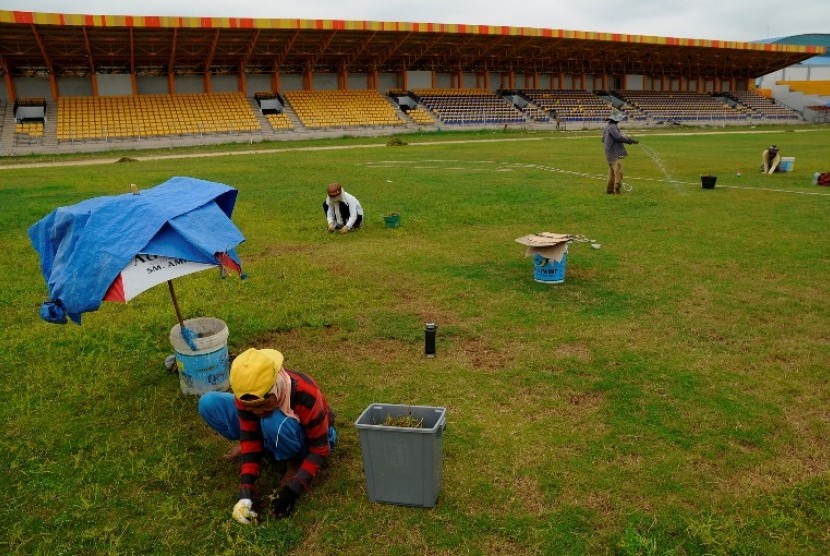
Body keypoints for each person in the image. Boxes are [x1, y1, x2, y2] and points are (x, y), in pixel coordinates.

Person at [198, 347, 336, 523]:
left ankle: (292, 462)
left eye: (263, 404)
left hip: (314, 438)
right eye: (251, 407)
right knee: (209, 403)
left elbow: (320, 449)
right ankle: (266, 444)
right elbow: (250, 437)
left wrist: (293, 489)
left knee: (271, 421)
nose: (257, 411)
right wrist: (245, 495)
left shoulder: (306, 394)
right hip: (276, 429)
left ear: (275, 388)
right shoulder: (247, 396)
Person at [602, 112, 639, 194]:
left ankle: (609, 190)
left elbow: (603, 139)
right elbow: (618, 137)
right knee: (619, 172)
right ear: (616, 119)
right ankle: (617, 190)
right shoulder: (613, 127)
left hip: (609, 153)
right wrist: (630, 141)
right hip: (614, 153)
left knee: (612, 172)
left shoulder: (608, 127)